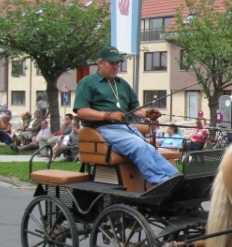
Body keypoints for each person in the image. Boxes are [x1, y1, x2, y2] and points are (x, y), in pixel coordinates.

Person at [73, 44, 178, 186]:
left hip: (126, 128)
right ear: (100, 63)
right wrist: (107, 116)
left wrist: (147, 113)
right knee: (139, 146)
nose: (116, 66)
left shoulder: (122, 83)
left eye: (117, 63)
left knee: (148, 148)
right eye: (112, 63)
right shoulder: (87, 83)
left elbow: (134, 109)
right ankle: (161, 182)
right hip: (103, 129)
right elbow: (81, 111)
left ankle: (176, 177)